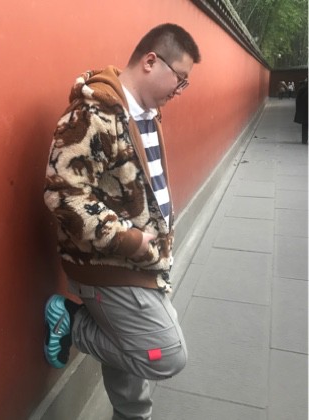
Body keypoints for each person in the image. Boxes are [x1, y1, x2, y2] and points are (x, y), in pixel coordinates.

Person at [43, 23, 201, 420]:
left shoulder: (145, 113)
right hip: (110, 264)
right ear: (151, 61)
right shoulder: (92, 114)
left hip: (144, 259)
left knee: (129, 354)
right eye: (180, 79)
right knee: (165, 355)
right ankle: (72, 322)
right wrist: (130, 240)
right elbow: (64, 194)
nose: (180, 90)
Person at [294, 79, 308, 144]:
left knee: (305, 126)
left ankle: (304, 140)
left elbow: (298, 101)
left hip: (304, 111)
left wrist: (299, 111)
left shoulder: (302, 89)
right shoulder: (303, 89)